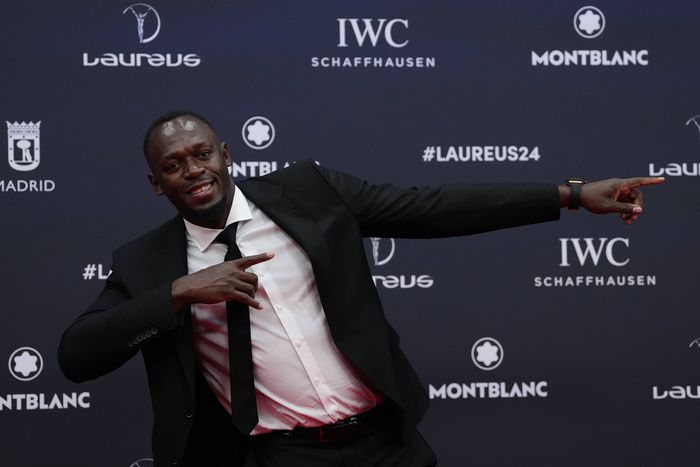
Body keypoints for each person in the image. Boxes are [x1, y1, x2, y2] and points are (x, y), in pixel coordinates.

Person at [58, 110, 664, 467]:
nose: (193, 171)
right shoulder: (148, 261)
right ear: (155, 184)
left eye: (201, 154)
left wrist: (569, 194)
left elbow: (434, 207)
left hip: (384, 442)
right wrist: (179, 293)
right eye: (173, 165)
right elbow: (77, 354)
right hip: (277, 457)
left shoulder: (309, 192)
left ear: (226, 153)